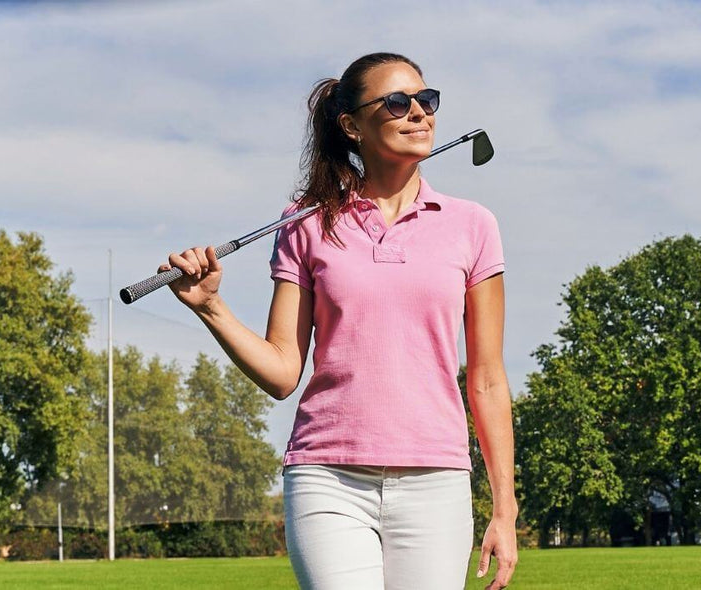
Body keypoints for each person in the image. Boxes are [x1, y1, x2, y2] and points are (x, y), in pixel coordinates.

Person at [157, 52, 518, 590]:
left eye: (427, 100)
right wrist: (212, 307)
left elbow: (486, 378)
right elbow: (282, 373)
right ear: (352, 126)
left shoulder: (473, 225)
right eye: (398, 102)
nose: (419, 113)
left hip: (435, 479)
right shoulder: (306, 221)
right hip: (328, 476)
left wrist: (504, 509)